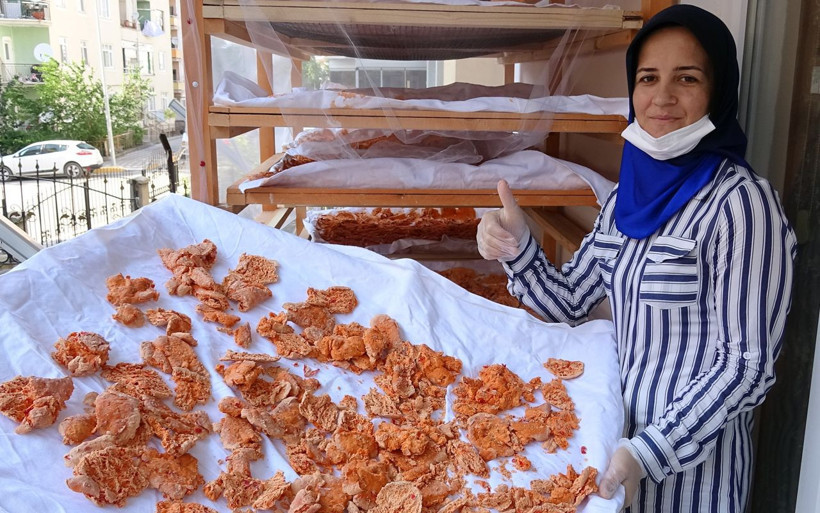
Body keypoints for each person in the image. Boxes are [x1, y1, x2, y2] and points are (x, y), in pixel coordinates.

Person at [476, 5, 797, 512]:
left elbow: (745, 366)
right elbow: (570, 303)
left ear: (718, 92)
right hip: (609, 461)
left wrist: (646, 454)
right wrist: (518, 248)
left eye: (686, 78)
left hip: (691, 482)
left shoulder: (742, 205)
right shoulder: (626, 200)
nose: (662, 97)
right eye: (648, 78)